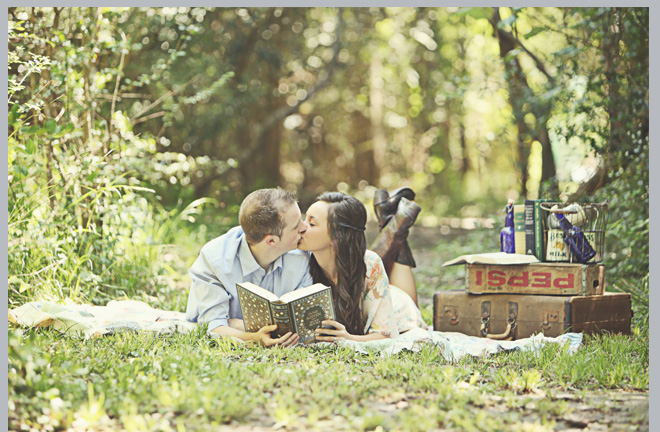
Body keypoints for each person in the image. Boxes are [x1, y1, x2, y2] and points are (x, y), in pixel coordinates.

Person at [185, 188, 312, 347]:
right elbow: (212, 327)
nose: (304, 227)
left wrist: (233, 323)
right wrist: (253, 337)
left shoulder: (303, 256)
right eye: (296, 226)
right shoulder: (214, 260)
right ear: (271, 241)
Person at [297, 191, 427, 342]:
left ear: (337, 236)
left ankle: (398, 230)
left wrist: (349, 338)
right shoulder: (299, 260)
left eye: (311, 223)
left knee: (403, 298)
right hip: (376, 292)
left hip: (398, 309)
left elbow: (387, 335)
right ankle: (394, 226)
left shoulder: (370, 263)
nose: (301, 227)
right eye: (304, 219)